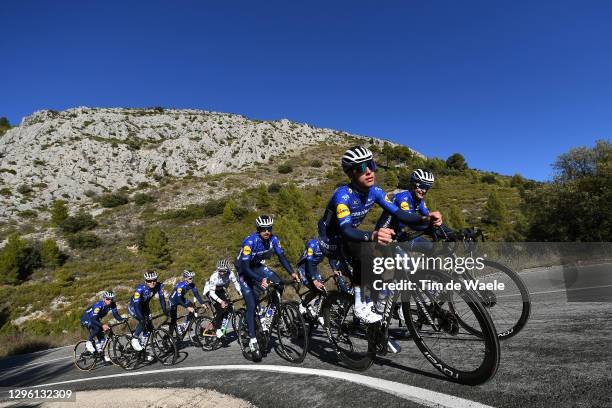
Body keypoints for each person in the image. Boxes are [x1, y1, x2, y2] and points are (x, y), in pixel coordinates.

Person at [317, 146, 443, 323]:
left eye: (371, 164)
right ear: (351, 174)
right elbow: (345, 230)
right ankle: (361, 307)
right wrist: (373, 235)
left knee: (379, 265)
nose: (369, 171)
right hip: (330, 239)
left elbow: (400, 214)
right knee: (364, 253)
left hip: (350, 235)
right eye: (361, 168)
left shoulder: (375, 192)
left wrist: (425, 219)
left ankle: (371, 305)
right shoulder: (342, 196)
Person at [235, 215, 299, 356]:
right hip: (244, 271)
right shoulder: (250, 242)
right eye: (263, 229)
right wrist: (260, 280)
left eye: (269, 228)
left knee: (278, 283)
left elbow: (281, 256)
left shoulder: (274, 239)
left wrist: (292, 272)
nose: (267, 231)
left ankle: (270, 313)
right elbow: (245, 268)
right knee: (251, 304)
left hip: (257, 266)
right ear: (258, 229)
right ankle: (252, 340)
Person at [376, 168, 443, 253]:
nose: (424, 191)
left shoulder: (420, 201)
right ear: (413, 185)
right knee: (408, 265)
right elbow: (410, 222)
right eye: (422, 187)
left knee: (432, 249)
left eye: (427, 188)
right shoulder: (402, 198)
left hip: (402, 237)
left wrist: (452, 232)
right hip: (388, 239)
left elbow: (429, 217)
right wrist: (429, 226)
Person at [128, 270, 168, 352]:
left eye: (154, 280)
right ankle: (135, 339)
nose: (152, 283)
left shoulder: (159, 286)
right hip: (135, 307)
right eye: (149, 281)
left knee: (149, 324)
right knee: (143, 321)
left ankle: (142, 346)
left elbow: (162, 299)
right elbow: (136, 305)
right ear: (146, 281)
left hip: (145, 306)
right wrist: (141, 318)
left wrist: (165, 310)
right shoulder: (140, 289)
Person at [80, 291, 125, 362]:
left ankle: (101, 354)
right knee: (98, 327)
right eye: (108, 299)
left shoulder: (112, 305)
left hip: (95, 319)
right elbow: (93, 319)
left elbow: (116, 315)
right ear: (104, 299)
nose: (110, 301)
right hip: (87, 319)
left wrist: (122, 320)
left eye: (111, 299)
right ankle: (89, 342)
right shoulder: (99, 305)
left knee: (103, 339)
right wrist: (102, 325)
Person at [203, 259, 242, 338]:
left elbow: (236, 283)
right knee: (220, 309)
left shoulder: (231, 274)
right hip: (210, 291)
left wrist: (241, 292)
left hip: (220, 289)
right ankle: (217, 330)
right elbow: (212, 293)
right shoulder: (214, 277)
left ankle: (219, 323)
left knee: (229, 306)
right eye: (219, 271)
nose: (221, 273)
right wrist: (221, 302)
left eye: (223, 271)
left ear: (227, 270)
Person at [169, 269, 206, 336]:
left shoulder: (192, 285)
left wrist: (202, 303)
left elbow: (196, 294)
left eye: (192, 278)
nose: (192, 279)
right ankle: (170, 335)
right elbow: (178, 298)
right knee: (173, 319)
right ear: (186, 278)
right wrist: (187, 307)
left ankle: (185, 324)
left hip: (181, 298)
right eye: (190, 278)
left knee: (193, 308)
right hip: (173, 300)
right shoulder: (181, 285)